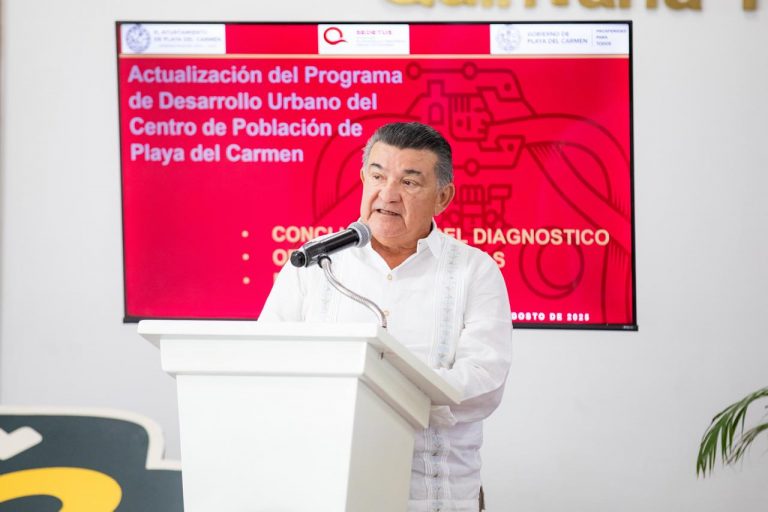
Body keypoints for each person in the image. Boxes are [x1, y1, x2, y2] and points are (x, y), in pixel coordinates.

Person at [260, 122, 513, 512]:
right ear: (363, 179)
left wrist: (382, 394)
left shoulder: (474, 271)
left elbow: (484, 382)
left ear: (443, 197)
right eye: (378, 176)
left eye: (409, 182)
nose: (388, 194)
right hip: (327, 491)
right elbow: (266, 361)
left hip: (433, 497)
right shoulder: (314, 263)